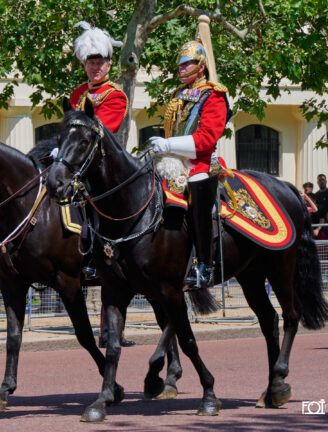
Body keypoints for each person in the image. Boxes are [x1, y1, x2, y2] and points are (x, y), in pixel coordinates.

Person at [148, 36, 231, 290]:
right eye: (180, 65)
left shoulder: (214, 96)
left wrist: (169, 144)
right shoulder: (178, 94)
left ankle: (205, 265)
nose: (181, 68)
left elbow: (206, 138)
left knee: (197, 198)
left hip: (201, 162)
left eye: (187, 64)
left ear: (201, 65)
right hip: (172, 159)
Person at [71, 22, 134, 348]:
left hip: (106, 166)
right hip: (78, 165)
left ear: (109, 64)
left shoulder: (114, 95)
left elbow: (102, 130)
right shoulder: (77, 95)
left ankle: (102, 258)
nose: (94, 67)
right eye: (89, 62)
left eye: (99, 62)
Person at [313, 174, 328, 240]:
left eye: (323, 180)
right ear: (317, 182)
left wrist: (324, 221)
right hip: (319, 225)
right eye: (320, 180)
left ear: (326, 181)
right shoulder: (316, 195)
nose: (322, 182)